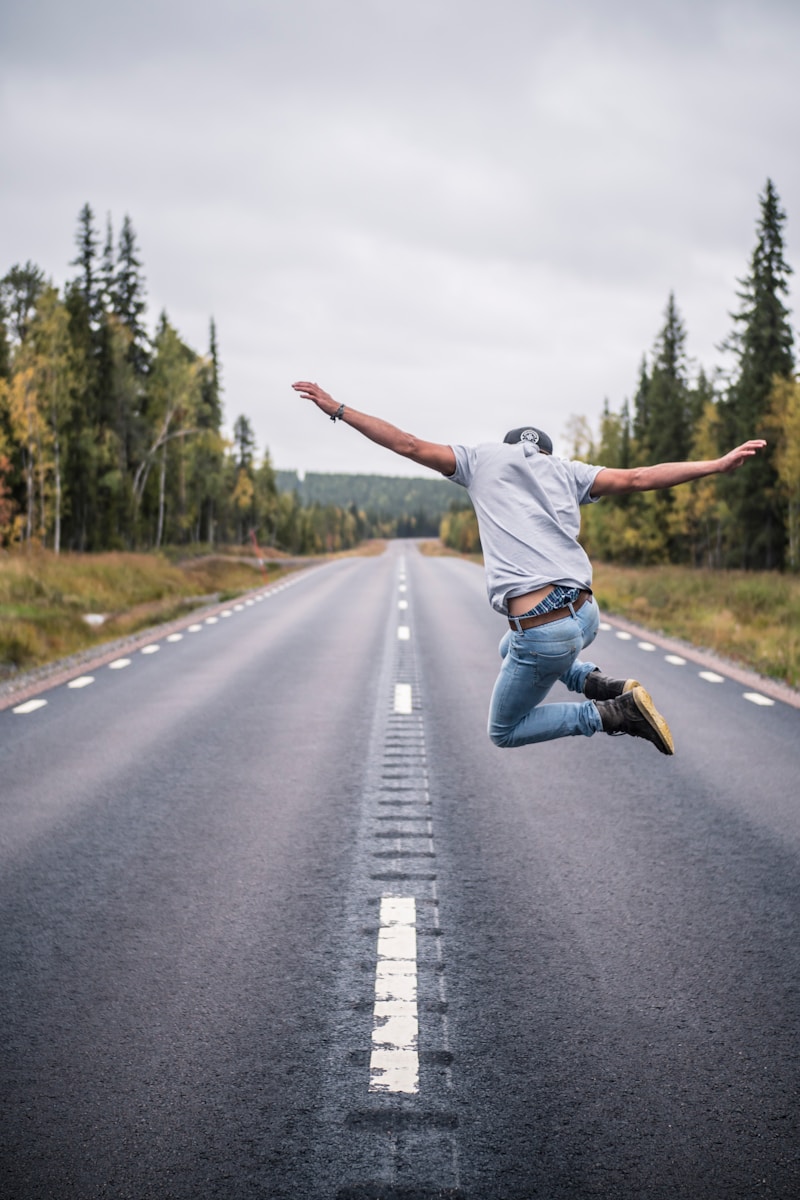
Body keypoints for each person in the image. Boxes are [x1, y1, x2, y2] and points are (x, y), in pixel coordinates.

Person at [291, 380, 766, 755]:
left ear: (508, 446)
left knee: (505, 730)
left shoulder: (481, 459)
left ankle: (612, 713)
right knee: (508, 646)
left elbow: (409, 445)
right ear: (546, 452)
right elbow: (639, 478)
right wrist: (715, 465)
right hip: (585, 614)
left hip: (545, 628)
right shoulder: (568, 470)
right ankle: (591, 679)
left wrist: (338, 409)